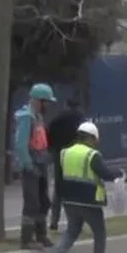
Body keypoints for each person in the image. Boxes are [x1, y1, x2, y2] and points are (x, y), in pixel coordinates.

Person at [47, 122, 123, 253]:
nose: (96, 143)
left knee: (72, 231)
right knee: (99, 232)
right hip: (89, 201)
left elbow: (60, 176)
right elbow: (105, 173)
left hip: (69, 200)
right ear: (90, 138)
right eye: (95, 139)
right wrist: (118, 173)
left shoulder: (64, 153)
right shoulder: (92, 155)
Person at [13, 83, 56, 249]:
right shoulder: (26, 117)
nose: (48, 106)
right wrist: (29, 165)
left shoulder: (37, 117)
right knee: (32, 203)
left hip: (41, 165)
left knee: (44, 202)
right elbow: (20, 145)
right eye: (46, 102)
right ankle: (27, 239)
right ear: (38, 101)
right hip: (32, 166)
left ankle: (41, 235)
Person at [46, 99, 85, 231]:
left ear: (66, 105)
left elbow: (49, 136)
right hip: (75, 156)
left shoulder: (57, 119)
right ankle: (74, 222)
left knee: (59, 190)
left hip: (59, 155)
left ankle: (54, 221)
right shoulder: (80, 119)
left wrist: (53, 149)